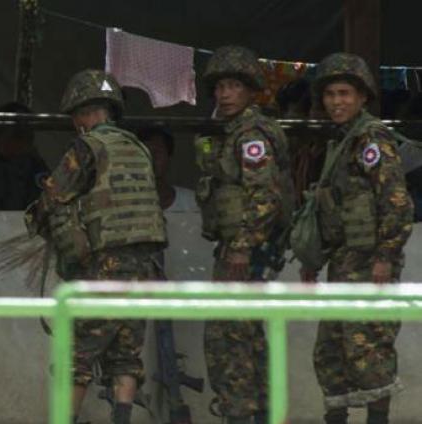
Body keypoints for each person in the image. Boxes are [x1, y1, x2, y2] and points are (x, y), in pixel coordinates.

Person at [25, 69, 167, 424]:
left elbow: (53, 197)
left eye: (76, 115)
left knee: (77, 353)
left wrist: (40, 221)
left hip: (106, 265)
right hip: (145, 265)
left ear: (83, 112)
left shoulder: (87, 147)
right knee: (125, 353)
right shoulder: (137, 148)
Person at [303, 53, 413, 424]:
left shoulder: (371, 140)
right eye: (331, 94)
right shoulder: (343, 141)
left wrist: (385, 256)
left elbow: (397, 203)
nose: (337, 101)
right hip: (344, 263)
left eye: (345, 93)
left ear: (363, 97)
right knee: (331, 352)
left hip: (370, 266)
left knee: (368, 351)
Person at [195, 46, 294, 424]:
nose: (224, 94)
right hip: (243, 248)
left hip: (246, 250)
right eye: (220, 86)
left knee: (228, 337)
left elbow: (264, 197)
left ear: (251, 90)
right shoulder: (234, 131)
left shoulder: (251, 134)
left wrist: (239, 248)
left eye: (234, 85)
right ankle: (264, 412)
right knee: (246, 334)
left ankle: (244, 413)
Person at [0, 101, 49, 209]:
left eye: (29, 134)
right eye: (18, 134)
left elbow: (45, 198)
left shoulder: (34, 166)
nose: (25, 142)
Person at [138, 126, 198, 212]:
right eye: (144, 153)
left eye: (157, 152)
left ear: (169, 157)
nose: (150, 158)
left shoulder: (194, 203)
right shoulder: (122, 204)